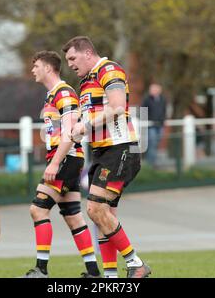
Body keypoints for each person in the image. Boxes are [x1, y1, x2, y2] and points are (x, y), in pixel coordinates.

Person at [63, 36, 151, 278]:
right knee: (104, 216)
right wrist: (77, 129)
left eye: (72, 58)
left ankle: (136, 263)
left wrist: (86, 124)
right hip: (103, 152)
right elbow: (91, 118)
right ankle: (111, 277)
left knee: (94, 209)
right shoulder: (85, 82)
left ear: (88, 53)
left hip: (122, 148)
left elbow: (117, 106)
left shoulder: (108, 69)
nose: (70, 64)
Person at [22, 51, 100, 278]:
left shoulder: (64, 93)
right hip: (67, 159)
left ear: (48, 68)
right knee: (73, 216)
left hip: (66, 159)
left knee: (38, 209)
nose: (33, 70)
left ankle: (41, 270)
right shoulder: (52, 95)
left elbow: (69, 133)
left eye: (36, 65)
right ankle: (93, 272)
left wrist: (55, 163)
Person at [141, 83, 167, 168]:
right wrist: (147, 121)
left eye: (154, 89)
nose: (152, 91)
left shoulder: (163, 99)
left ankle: (153, 161)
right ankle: (151, 164)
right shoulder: (147, 99)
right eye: (151, 89)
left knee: (156, 143)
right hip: (151, 125)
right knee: (152, 143)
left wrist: (162, 120)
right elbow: (143, 111)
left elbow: (164, 111)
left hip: (160, 125)